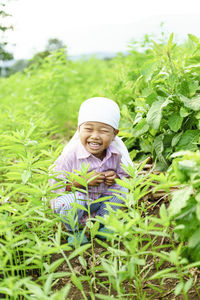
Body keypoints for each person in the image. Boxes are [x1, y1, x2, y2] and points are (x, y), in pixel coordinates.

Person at [49, 97, 133, 246]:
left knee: (123, 188)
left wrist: (115, 177)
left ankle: (102, 224)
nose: (95, 136)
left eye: (103, 131)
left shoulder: (116, 153)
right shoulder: (70, 155)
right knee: (73, 202)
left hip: (101, 201)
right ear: (78, 130)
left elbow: (127, 176)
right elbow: (55, 185)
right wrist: (81, 181)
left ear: (114, 134)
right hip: (76, 203)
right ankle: (74, 231)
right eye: (88, 129)